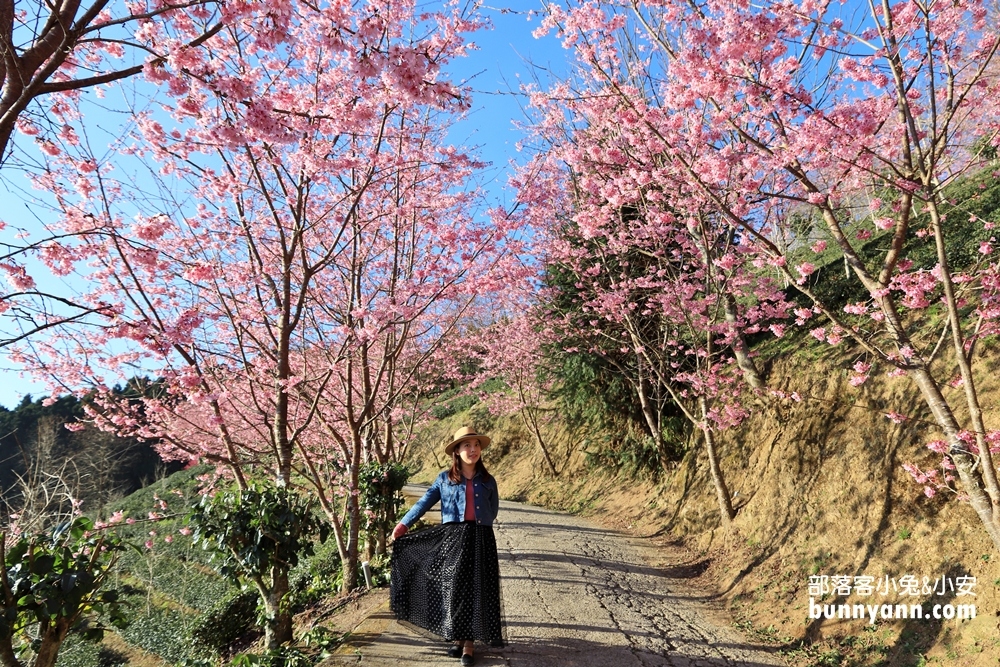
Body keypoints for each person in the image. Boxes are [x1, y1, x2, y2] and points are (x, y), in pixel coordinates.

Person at [389, 426, 505, 666]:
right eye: (467, 446)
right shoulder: (444, 479)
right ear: (457, 451)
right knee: (454, 588)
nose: (472, 450)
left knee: (477, 590)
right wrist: (403, 525)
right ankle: (458, 636)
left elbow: (492, 511)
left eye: (476, 445)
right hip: (452, 539)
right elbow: (423, 503)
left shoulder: (487, 480)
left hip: (481, 539)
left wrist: (476, 525)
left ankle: (469, 645)